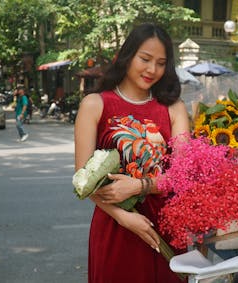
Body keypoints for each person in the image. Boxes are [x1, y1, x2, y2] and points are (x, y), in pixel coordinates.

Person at [74, 23, 190, 282]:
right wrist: (125, 218)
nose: (152, 70)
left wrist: (139, 186)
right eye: (145, 59)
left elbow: (182, 176)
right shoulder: (95, 105)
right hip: (115, 228)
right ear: (127, 56)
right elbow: (83, 181)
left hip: (165, 228)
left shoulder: (174, 108)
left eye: (161, 63)